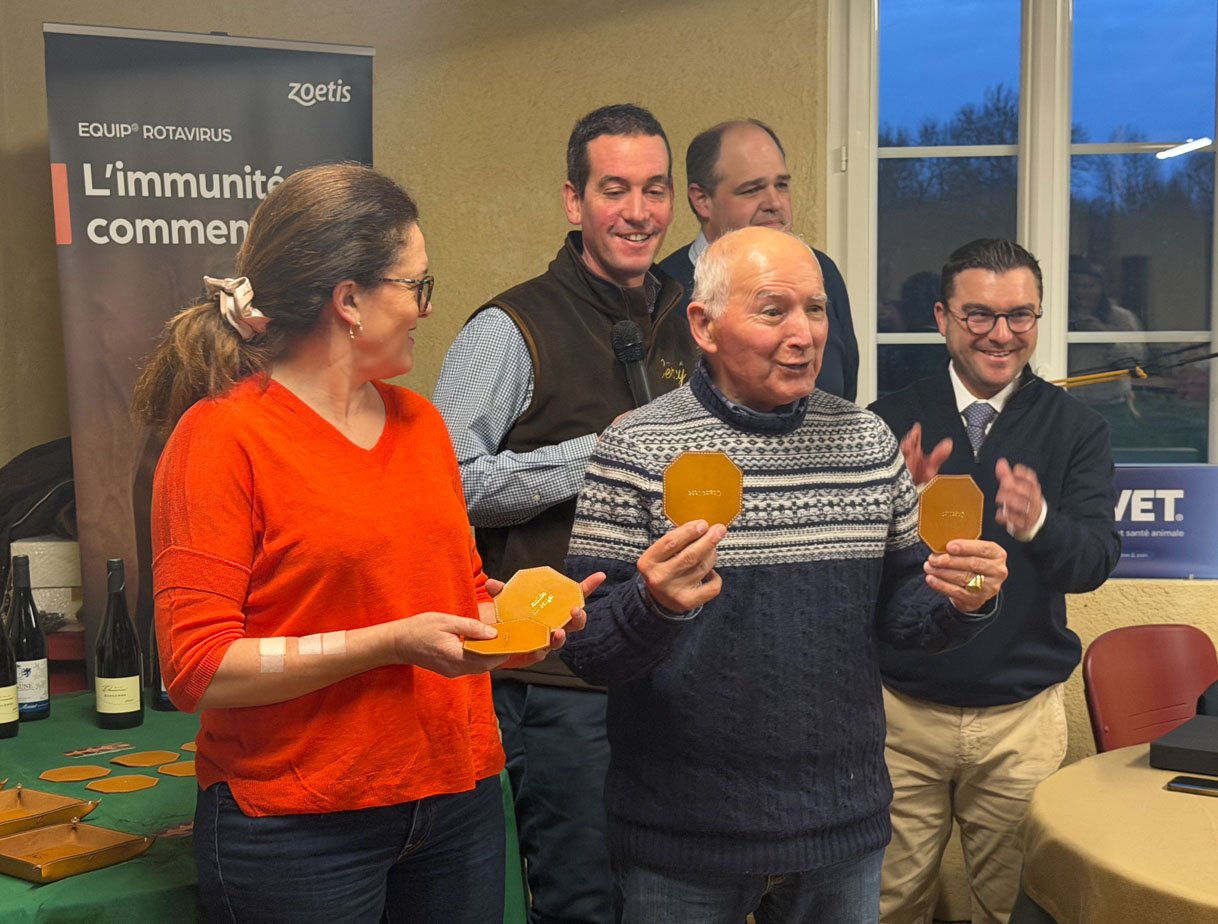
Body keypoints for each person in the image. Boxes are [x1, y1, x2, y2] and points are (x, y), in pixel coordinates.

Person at [134, 163, 595, 924]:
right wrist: (389, 644)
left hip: (456, 803)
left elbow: (451, 595)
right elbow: (198, 668)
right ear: (348, 300)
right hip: (299, 828)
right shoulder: (220, 438)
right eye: (416, 285)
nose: (427, 307)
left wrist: (517, 619)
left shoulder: (421, 426)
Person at [561, 226, 1009, 924]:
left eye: (816, 309)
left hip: (840, 830)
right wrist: (654, 605)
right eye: (773, 311)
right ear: (704, 326)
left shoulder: (866, 442)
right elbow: (587, 649)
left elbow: (901, 621)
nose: (804, 334)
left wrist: (964, 598)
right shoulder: (636, 447)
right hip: (681, 838)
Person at [432, 103, 695, 924]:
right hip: (561, 677)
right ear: (574, 202)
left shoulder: (687, 318)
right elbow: (447, 481)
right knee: (582, 900)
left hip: (672, 665)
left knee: (665, 895)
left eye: (655, 189)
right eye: (615, 189)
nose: (639, 212)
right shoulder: (509, 328)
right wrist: (602, 452)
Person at [869, 239, 1121, 924]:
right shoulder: (886, 421)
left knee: (1013, 906)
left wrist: (1038, 522)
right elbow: (854, 576)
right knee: (889, 904)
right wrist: (893, 510)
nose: (1001, 334)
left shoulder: (1078, 428)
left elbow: (1094, 561)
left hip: (1020, 720)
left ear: (1038, 317)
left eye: (1020, 315)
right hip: (900, 714)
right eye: (979, 314)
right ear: (942, 317)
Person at [658, 119, 859, 400]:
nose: (774, 203)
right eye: (752, 190)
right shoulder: (660, 292)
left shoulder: (821, 272)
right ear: (702, 200)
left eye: (782, 185)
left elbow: (844, 393)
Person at [1067, 254, 1148, 446]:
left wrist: (1102, 334)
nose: (1081, 292)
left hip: (1112, 408)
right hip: (1069, 406)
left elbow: (1138, 361)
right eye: (1076, 286)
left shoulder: (1122, 318)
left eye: (1088, 286)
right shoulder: (1058, 316)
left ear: (1102, 289)